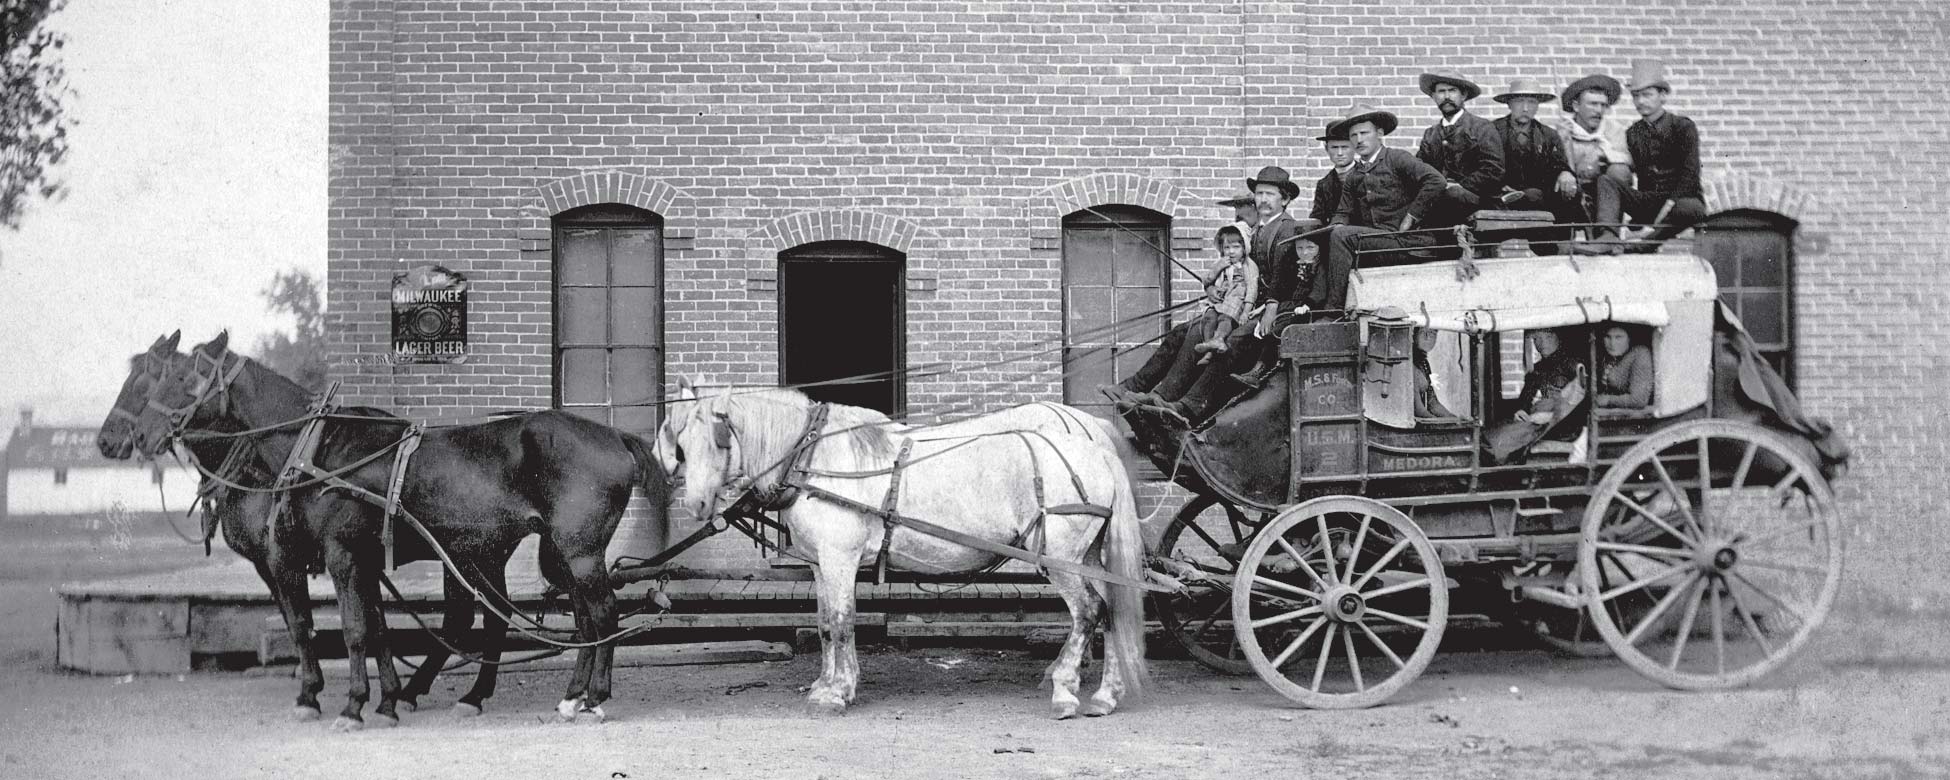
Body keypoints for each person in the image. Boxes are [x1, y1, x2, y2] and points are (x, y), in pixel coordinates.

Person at [1319, 105, 1446, 312]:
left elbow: (1436, 181)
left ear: (1379, 134)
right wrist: (1333, 227)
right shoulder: (1355, 176)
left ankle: (1332, 309)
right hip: (1380, 243)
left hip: (1410, 244)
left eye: (1364, 133)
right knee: (1333, 235)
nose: (1358, 140)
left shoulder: (1397, 158)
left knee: (1342, 237)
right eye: (1353, 135)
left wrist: (1412, 216)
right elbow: (1343, 212)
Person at [1594, 60, 1708, 253]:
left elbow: (1690, 174)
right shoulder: (1633, 132)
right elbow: (1638, 175)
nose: (1640, 102)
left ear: (1662, 96)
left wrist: (1668, 205)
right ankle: (1607, 236)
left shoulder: (1682, 126)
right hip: (1651, 201)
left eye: (1647, 95)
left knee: (1690, 209)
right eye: (1636, 96)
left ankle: (1646, 244)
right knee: (1607, 181)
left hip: (1680, 201)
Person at [1490, 77, 1583, 254]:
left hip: (1538, 198)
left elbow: (1558, 164)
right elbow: (1484, 164)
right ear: (1509, 104)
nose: (1525, 108)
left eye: (1532, 102)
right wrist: (1498, 185)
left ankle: (1562, 250)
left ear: (1538, 105)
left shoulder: (1549, 135)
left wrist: (1565, 173)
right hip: (1500, 195)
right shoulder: (1492, 131)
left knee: (1569, 190)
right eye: (1519, 101)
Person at [1414, 68, 1505, 229]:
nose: (1447, 96)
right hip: (1442, 197)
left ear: (1463, 95)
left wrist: (1461, 185)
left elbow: (1494, 169)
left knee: (1453, 195)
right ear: (1434, 97)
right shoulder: (1431, 134)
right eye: (1441, 92)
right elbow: (1420, 169)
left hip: (1480, 199)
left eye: (1452, 91)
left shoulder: (1482, 127)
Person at [1484, 328, 1589, 464]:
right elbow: (1524, 401)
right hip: (1533, 421)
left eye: (1548, 337)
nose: (1541, 343)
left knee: (1497, 441)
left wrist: (1551, 416)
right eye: (1536, 339)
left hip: (1562, 425)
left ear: (1558, 338)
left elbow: (1582, 402)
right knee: (1492, 435)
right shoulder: (1538, 369)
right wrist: (1521, 411)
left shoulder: (1573, 366)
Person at [1553, 73, 1633, 244]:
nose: (1599, 110)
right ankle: (1562, 244)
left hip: (1603, 196)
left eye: (1603, 105)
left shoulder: (1614, 131)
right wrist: (1561, 143)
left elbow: (1626, 163)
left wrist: (1601, 153)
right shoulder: (1563, 131)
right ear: (1576, 106)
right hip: (1570, 195)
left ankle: (1607, 236)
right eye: (1593, 104)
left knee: (1620, 170)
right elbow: (1551, 165)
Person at [1192, 226, 1258, 360]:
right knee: (1209, 316)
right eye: (1227, 248)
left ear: (1244, 248)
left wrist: (1246, 311)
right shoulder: (1222, 263)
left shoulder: (1248, 265)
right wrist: (1217, 268)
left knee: (1225, 317)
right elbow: (1206, 280)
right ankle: (1209, 347)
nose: (1231, 252)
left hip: (1237, 299)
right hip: (1222, 298)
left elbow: (1252, 289)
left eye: (1236, 247)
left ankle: (1219, 338)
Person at [1595, 324, 1654, 409]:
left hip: (1635, 418)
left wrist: (1609, 400)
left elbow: (1639, 400)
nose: (1612, 343)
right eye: (1607, 337)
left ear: (1629, 338)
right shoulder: (1607, 356)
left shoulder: (1640, 354)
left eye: (1618, 337)